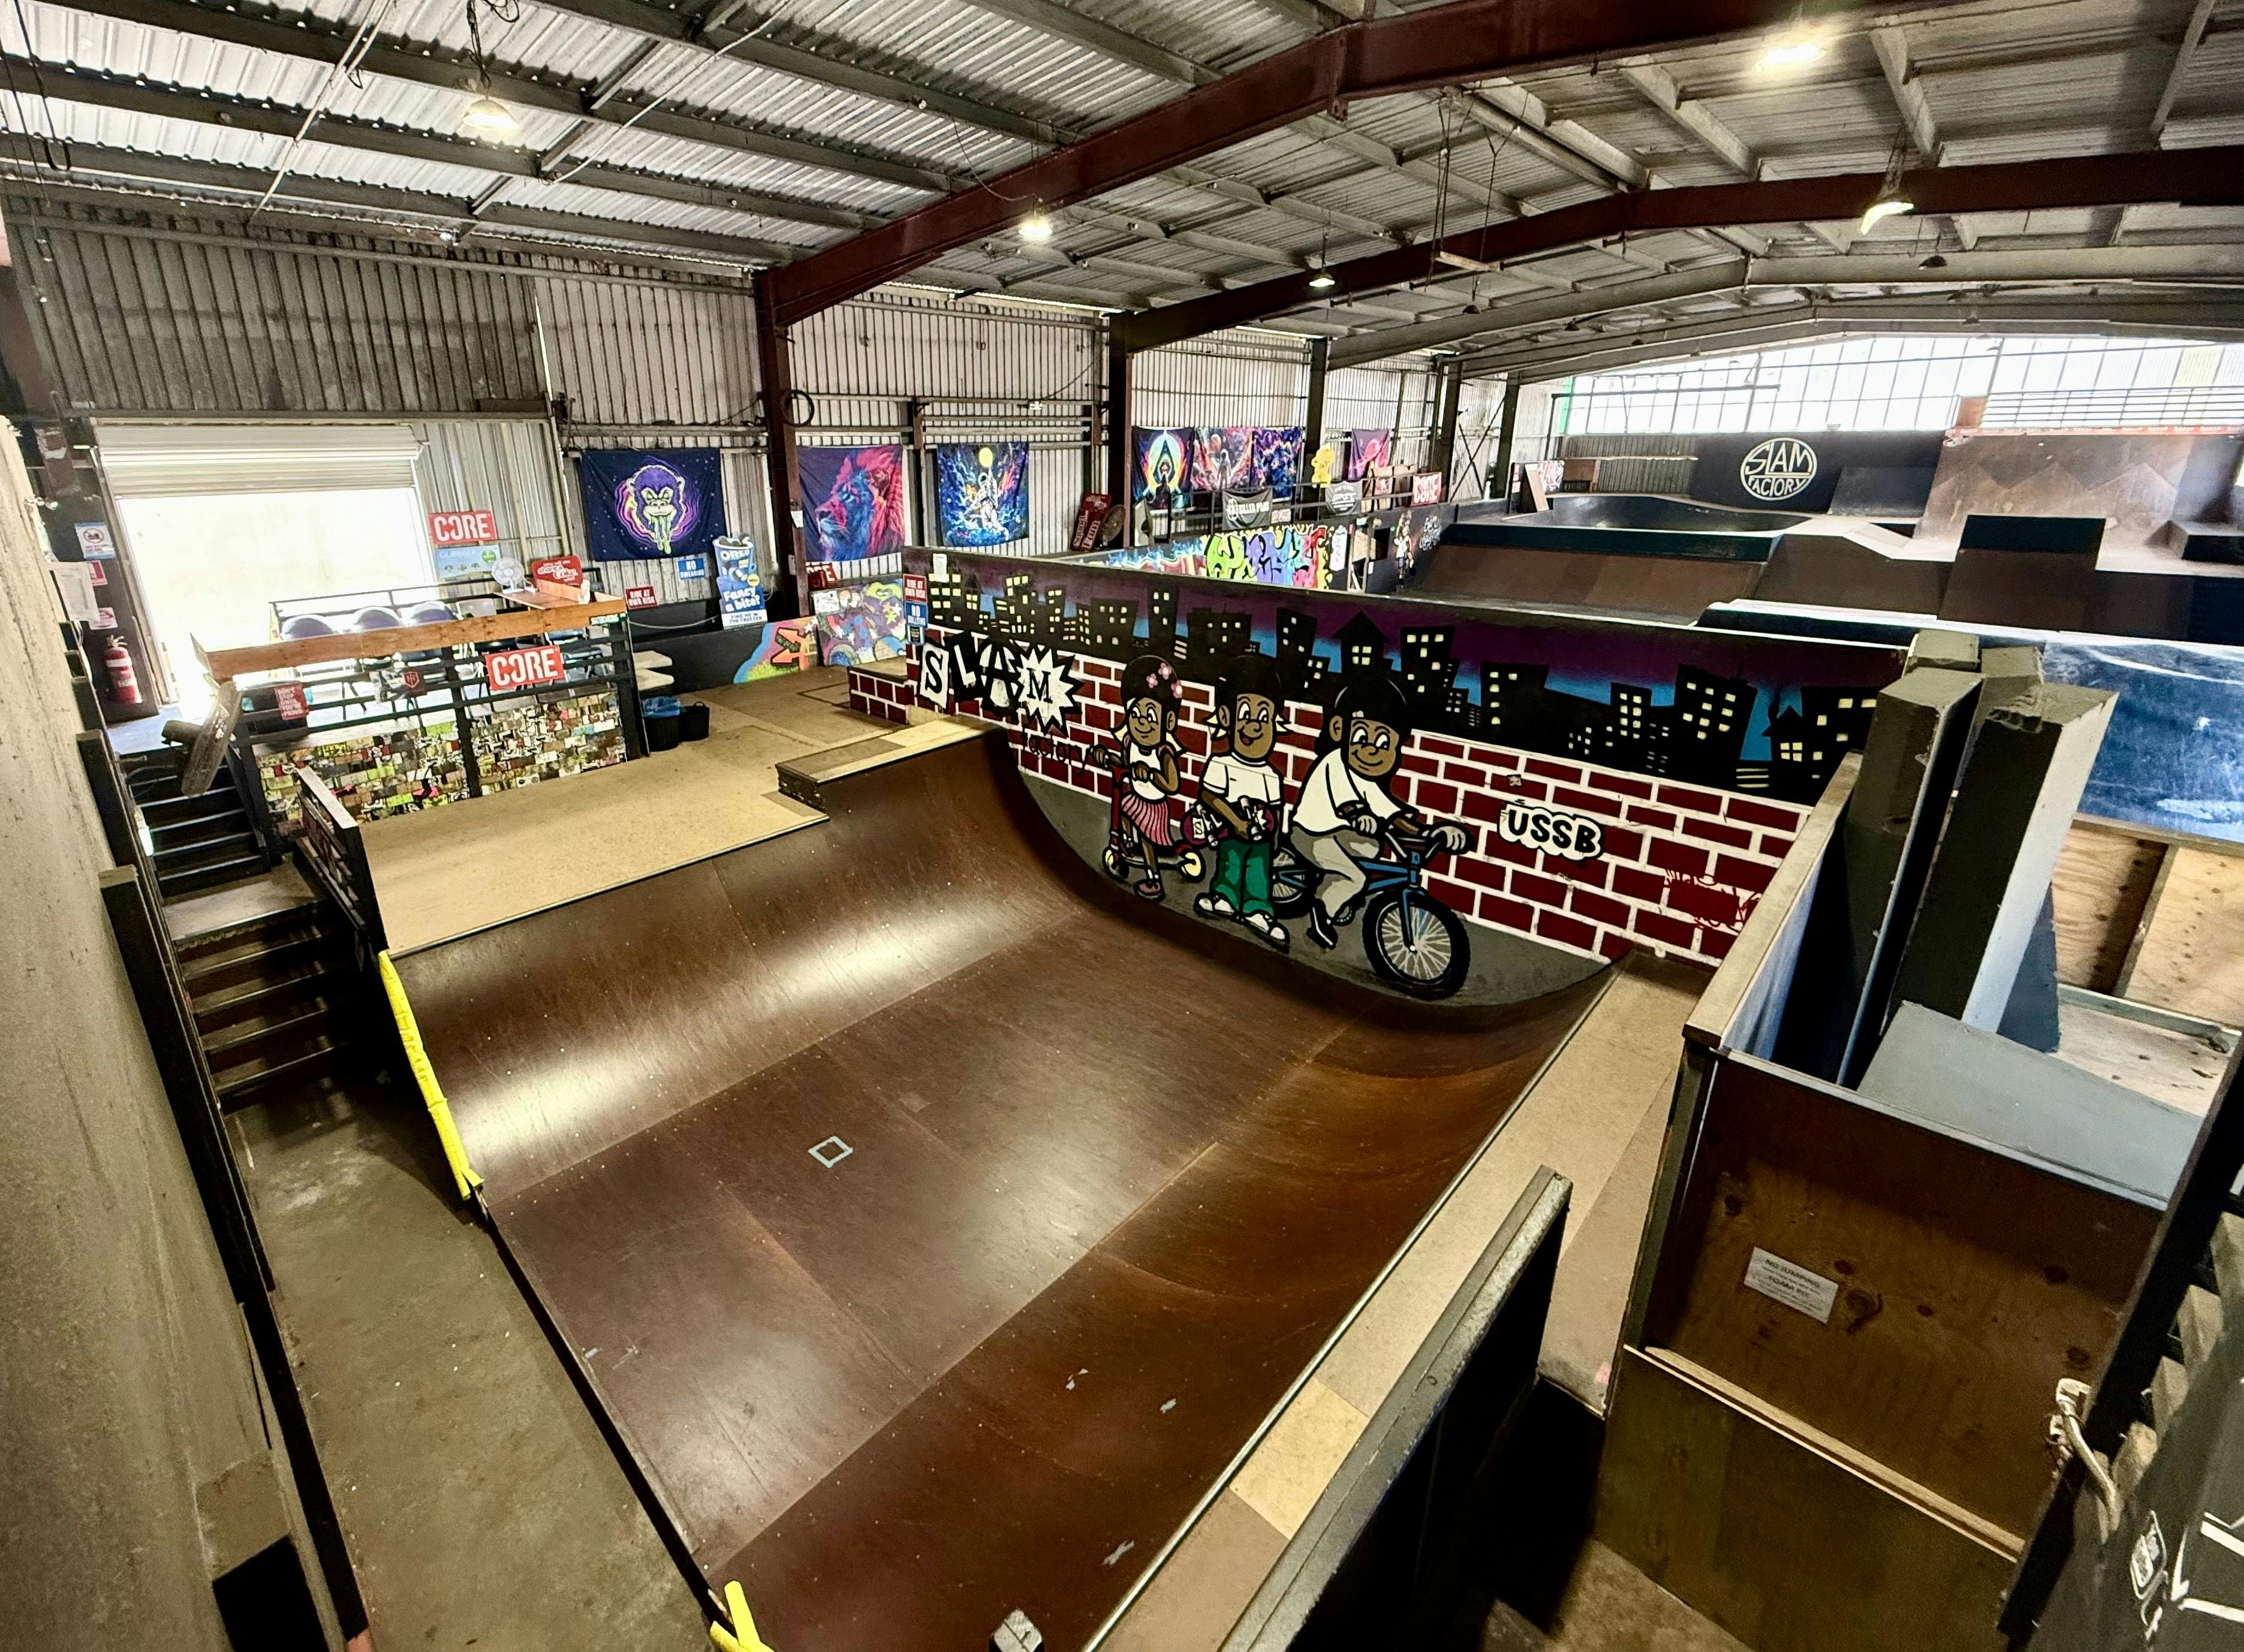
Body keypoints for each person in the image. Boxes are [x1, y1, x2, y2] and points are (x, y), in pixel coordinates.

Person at [1290, 674, 1468, 951]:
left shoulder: (1367, 779)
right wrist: (1360, 816)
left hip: (1339, 833)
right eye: (1362, 736)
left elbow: (1391, 814)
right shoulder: (1334, 763)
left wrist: (1432, 832)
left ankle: (1340, 890)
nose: (1372, 749)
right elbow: (1347, 802)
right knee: (1355, 876)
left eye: (1384, 742)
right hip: (1311, 833)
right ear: (1340, 729)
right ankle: (1322, 913)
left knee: (1372, 847)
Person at [1194, 652, 1289, 951]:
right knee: (1230, 861)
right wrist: (1235, 822)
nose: (1255, 726)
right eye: (1246, 714)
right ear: (1226, 718)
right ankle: (1225, 897)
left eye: (1264, 717)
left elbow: (1276, 809)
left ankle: (1258, 910)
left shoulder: (1272, 776)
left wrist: (1274, 839)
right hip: (1231, 830)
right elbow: (1209, 796)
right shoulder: (1220, 764)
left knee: (1259, 870)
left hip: (1260, 838)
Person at [1111, 654, 1183, 902]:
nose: (1142, 722)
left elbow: (1172, 784)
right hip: (1137, 799)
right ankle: (1127, 843)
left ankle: (1154, 879)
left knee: (1147, 839)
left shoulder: (1163, 752)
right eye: (1135, 714)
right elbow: (1124, 764)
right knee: (1123, 811)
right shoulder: (1130, 742)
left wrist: (1152, 775)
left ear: (1169, 720)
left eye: (1151, 716)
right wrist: (1106, 758)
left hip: (1155, 807)